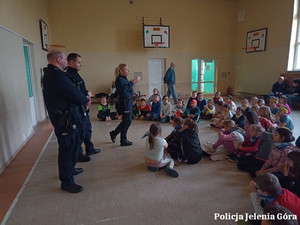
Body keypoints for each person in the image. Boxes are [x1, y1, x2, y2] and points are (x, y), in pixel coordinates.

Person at [42, 50, 90, 193]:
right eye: (64, 59)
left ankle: (69, 171)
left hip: (64, 116)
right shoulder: (56, 75)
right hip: (64, 118)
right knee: (68, 147)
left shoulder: (52, 74)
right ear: (58, 60)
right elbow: (73, 92)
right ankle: (67, 182)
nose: (65, 62)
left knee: (70, 146)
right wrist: (85, 99)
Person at [66, 53, 101, 160]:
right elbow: (74, 93)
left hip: (83, 107)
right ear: (71, 62)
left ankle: (89, 148)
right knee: (80, 132)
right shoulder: (69, 75)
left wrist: (87, 93)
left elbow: (80, 89)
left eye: (81, 62)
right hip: (78, 108)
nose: (81, 65)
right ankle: (79, 154)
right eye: (78, 62)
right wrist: (86, 98)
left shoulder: (76, 74)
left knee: (87, 129)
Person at [109, 64, 140, 146]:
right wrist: (132, 82)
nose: (128, 71)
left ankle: (115, 134)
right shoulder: (119, 80)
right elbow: (124, 90)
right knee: (127, 121)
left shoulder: (124, 79)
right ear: (121, 71)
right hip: (124, 102)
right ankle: (122, 139)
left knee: (127, 121)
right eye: (126, 70)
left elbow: (128, 89)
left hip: (128, 101)